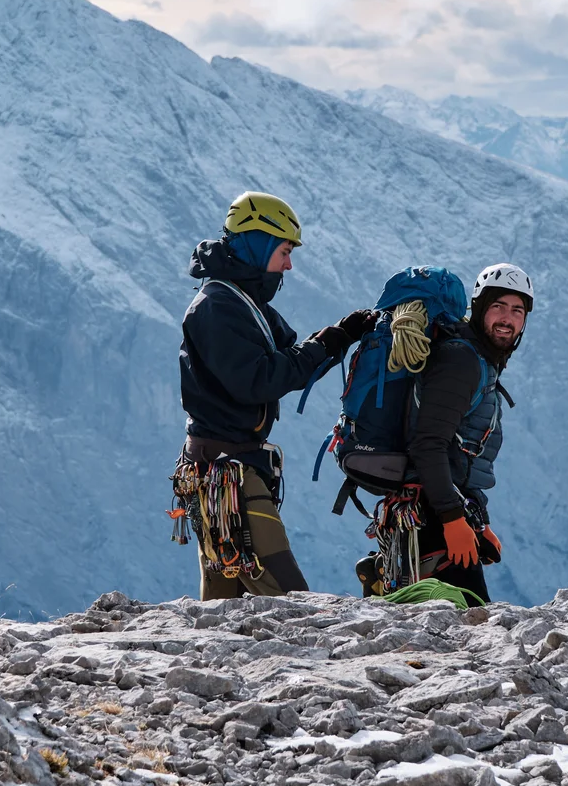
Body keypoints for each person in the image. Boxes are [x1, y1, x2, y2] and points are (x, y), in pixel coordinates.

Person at [176, 192, 376, 598]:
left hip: (223, 469)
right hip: (229, 473)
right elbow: (263, 379)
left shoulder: (243, 301)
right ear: (258, 243)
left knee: (226, 603)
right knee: (290, 602)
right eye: (284, 251)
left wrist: (338, 335)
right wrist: (332, 340)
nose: (288, 264)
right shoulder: (217, 306)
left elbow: (287, 354)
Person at [402, 262, 534, 602]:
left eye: (518, 310)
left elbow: (461, 451)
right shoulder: (461, 360)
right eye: (498, 307)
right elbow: (429, 444)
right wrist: (451, 519)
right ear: (478, 309)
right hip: (432, 516)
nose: (507, 318)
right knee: (470, 623)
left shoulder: (479, 359)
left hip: (443, 509)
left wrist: (477, 520)